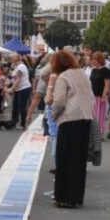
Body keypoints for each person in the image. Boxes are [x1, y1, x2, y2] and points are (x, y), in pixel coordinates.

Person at [45, 50, 94, 208]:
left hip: (69, 119)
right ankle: (76, 197)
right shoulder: (82, 74)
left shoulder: (63, 77)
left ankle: (63, 197)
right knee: (79, 161)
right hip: (85, 118)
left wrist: (53, 115)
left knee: (65, 160)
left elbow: (59, 102)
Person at [89, 51, 110, 139]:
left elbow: (107, 84)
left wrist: (104, 95)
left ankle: (100, 133)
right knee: (93, 115)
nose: (93, 61)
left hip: (100, 95)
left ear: (99, 60)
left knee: (99, 115)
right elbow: (91, 83)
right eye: (92, 59)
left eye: (95, 59)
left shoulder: (106, 70)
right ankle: (94, 133)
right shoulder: (93, 70)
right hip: (93, 95)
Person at [8, 53, 32, 129]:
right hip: (18, 89)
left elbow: (18, 79)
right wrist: (9, 83)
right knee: (15, 106)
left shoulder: (21, 66)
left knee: (22, 106)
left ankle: (23, 124)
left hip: (24, 88)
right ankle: (13, 122)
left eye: (11, 58)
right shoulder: (16, 66)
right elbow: (14, 79)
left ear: (14, 59)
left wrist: (11, 89)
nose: (10, 60)